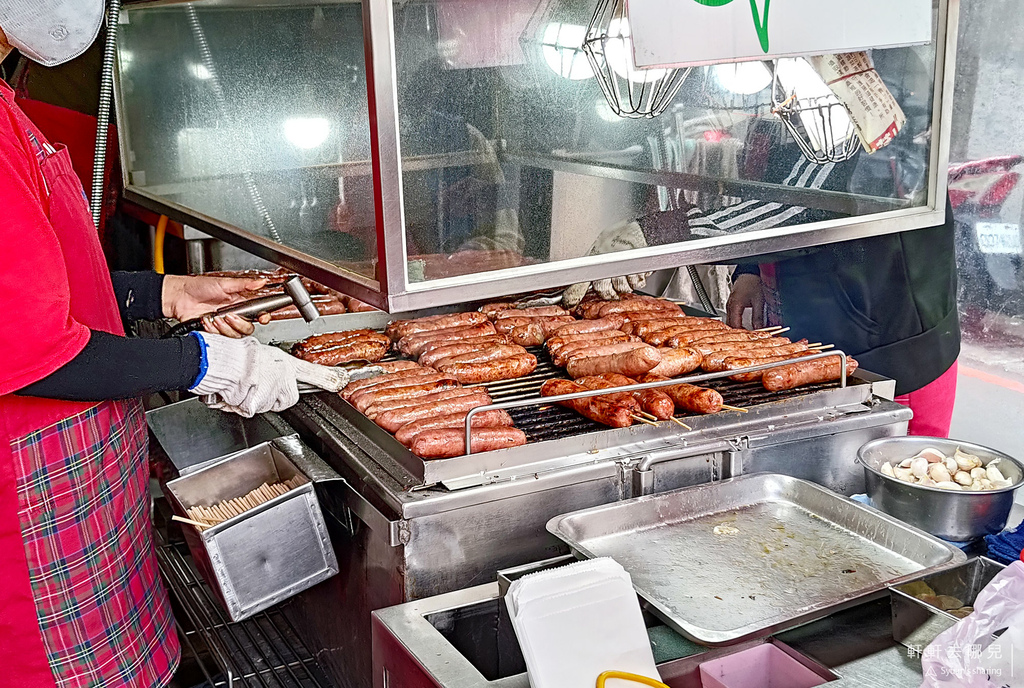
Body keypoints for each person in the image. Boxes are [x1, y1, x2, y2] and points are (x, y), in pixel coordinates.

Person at [0, 3, 328, 685]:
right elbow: (35, 351)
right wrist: (210, 364)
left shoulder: (6, 99)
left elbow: (38, 280)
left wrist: (165, 293)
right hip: (29, 521)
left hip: (81, 495)